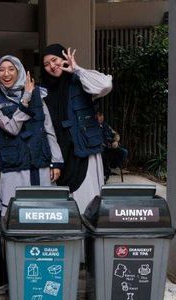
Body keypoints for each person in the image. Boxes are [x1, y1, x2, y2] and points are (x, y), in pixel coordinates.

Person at [0, 55, 63, 217]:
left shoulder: (38, 95)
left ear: (19, 71)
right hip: (14, 166)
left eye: (11, 69)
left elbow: (48, 129)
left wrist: (56, 162)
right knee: (15, 214)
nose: (6, 74)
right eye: (1, 70)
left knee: (44, 212)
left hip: (40, 163)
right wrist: (25, 99)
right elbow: (12, 128)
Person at [41, 44, 113, 212]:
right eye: (46, 64)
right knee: (62, 209)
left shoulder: (80, 82)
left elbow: (105, 85)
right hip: (58, 154)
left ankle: (88, 237)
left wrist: (78, 70)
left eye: (54, 60)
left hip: (84, 151)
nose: (52, 66)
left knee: (88, 203)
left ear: (64, 58)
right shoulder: (43, 91)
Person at [97, 112, 128, 181]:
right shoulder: (94, 127)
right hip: (101, 148)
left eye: (102, 115)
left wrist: (116, 141)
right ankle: (106, 173)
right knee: (103, 155)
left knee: (124, 152)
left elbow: (116, 134)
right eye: (99, 116)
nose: (101, 117)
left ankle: (113, 166)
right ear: (95, 117)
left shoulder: (106, 125)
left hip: (111, 147)